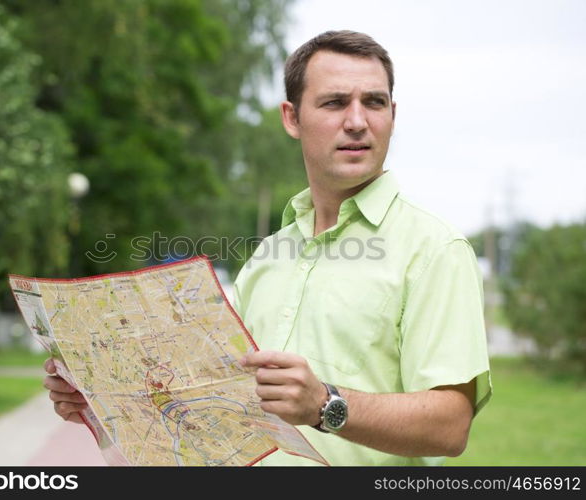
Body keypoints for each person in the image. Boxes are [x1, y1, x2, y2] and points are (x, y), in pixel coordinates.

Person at [43, 30, 492, 466]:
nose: (357, 121)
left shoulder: (435, 249)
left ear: (392, 114)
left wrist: (325, 404)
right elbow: (217, 401)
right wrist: (106, 396)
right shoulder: (268, 256)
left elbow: (450, 427)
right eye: (335, 102)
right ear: (292, 118)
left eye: (373, 102)